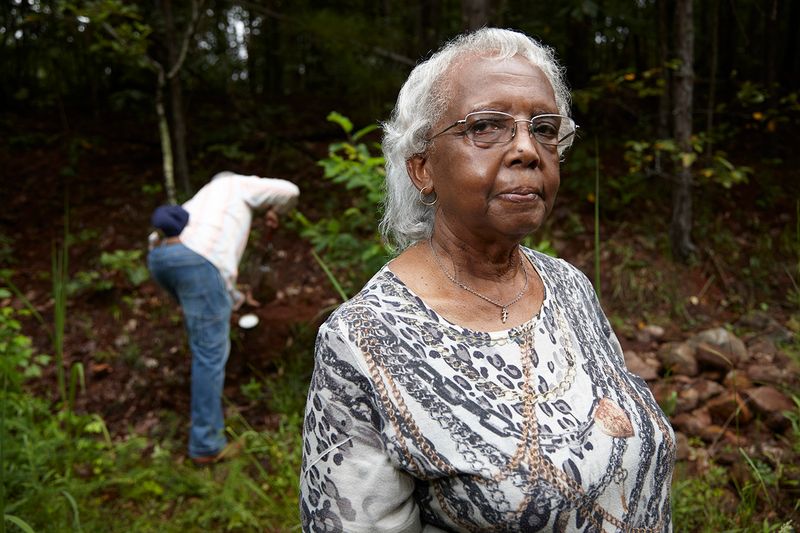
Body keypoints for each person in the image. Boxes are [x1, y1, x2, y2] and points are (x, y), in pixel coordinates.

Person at [299, 28, 675, 531]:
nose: (527, 149)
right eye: (486, 127)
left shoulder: (568, 285)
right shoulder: (364, 340)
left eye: (544, 128)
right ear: (422, 168)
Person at [147, 171, 299, 464]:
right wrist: (276, 211)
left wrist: (237, 300)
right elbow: (289, 189)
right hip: (196, 260)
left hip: (159, 256)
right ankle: (206, 445)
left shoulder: (205, 198)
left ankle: (205, 427)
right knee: (209, 352)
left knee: (204, 336)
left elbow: (212, 274)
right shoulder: (238, 185)